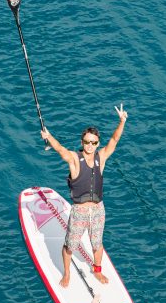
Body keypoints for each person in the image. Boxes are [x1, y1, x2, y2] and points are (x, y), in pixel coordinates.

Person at [40, 104, 128, 287]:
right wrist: (49, 138)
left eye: (94, 142)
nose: (90, 146)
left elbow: (114, 140)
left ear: (97, 143)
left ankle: (97, 270)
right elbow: (61, 150)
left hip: (98, 210)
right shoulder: (74, 158)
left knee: (97, 244)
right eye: (87, 142)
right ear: (82, 142)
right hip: (79, 212)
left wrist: (122, 121)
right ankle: (67, 274)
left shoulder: (101, 157)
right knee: (70, 246)